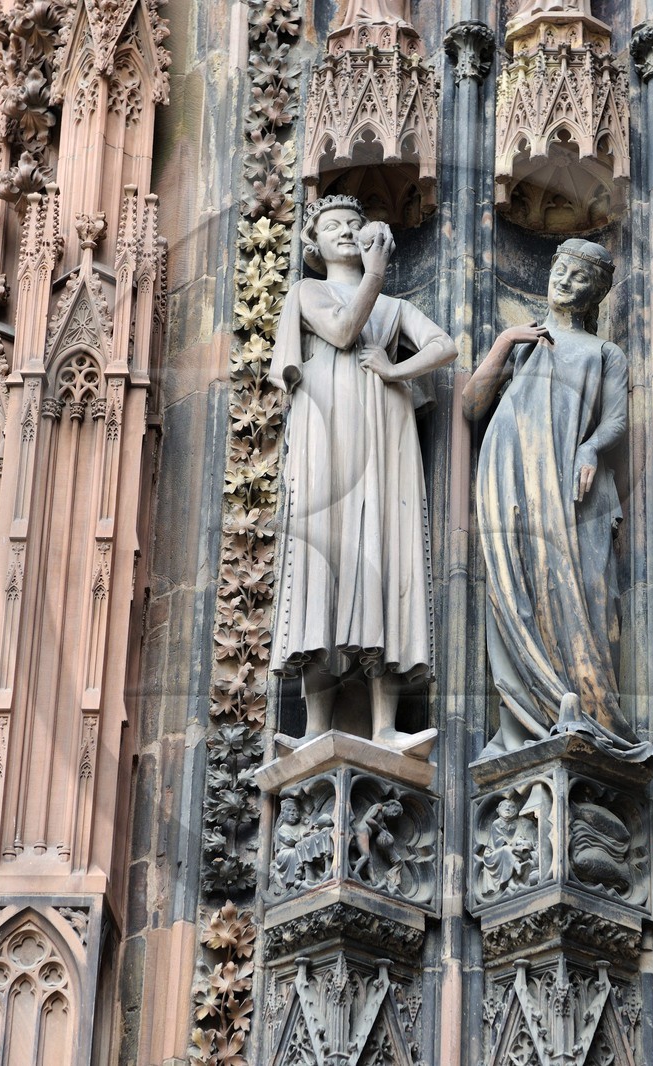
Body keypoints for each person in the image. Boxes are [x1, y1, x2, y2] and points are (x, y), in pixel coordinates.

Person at [270, 194, 455, 754]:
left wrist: (397, 370)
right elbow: (344, 331)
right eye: (333, 226)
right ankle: (313, 728)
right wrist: (375, 273)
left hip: (382, 436)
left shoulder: (393, 307)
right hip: (324, 436)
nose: (347, 231)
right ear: (314, 244)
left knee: (382, 559)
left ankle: (385, 727)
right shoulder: (307, 293)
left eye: (355, 223)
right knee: (320, 565)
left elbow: (445, 345)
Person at [465, 239, 651, 760]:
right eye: (561, 270)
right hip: (512, 473)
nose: (566, 282)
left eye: (580, 277)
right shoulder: (524, 342)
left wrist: (590, 447)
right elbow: (472, 405)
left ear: (597, 293)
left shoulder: (604, 353)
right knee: (516, 584)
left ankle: (588, 708)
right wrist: (505, 341)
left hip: (574, 483)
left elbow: (616, 419)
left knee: (589, 590)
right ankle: (527, 714)